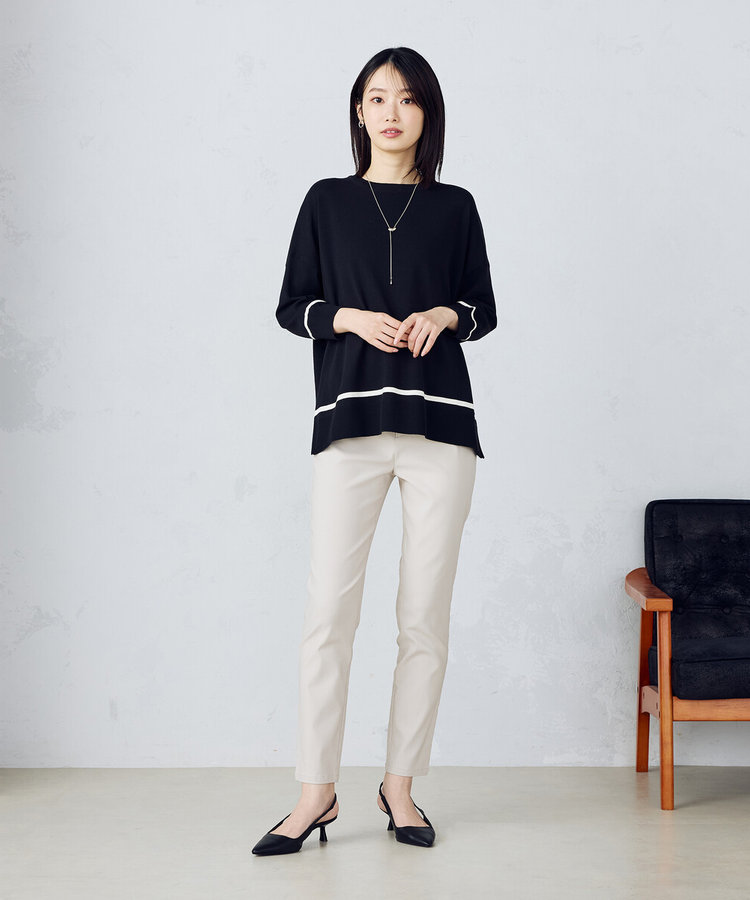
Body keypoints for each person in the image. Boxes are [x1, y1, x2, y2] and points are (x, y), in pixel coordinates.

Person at [252, 46, 497, 856]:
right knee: (328, 614)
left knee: (423, 618)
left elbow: (482, 308)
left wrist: (444, 315)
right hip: (350, 429)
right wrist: (349, 318)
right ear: (359, 111)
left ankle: (400, 786)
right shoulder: (326, 201)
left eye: (408, 98)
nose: (392, 112)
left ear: (428, 113)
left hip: (441, 430)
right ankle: (315, 792)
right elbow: (292, 306)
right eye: (377, 97)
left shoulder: (455, 206)